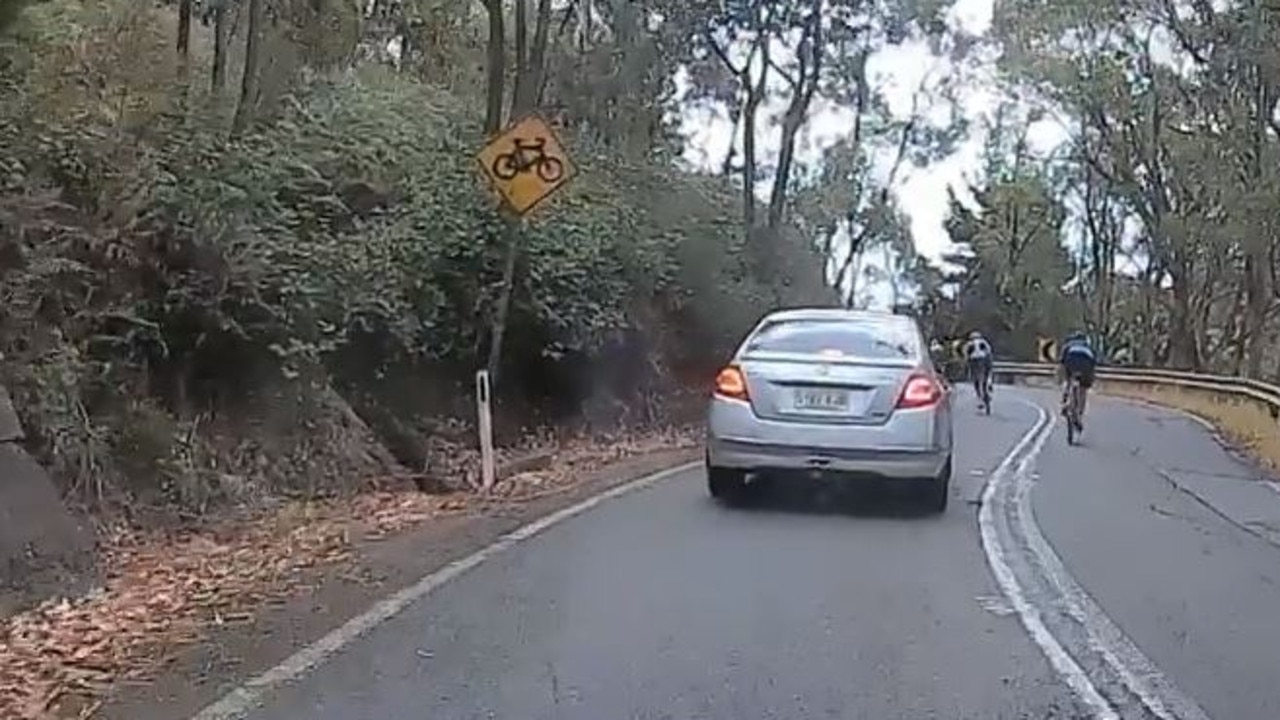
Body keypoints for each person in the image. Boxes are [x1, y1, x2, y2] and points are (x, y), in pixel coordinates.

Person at [1058, 331, 1097, 425]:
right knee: (1083, 390)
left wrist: (1061, 376)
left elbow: (1062, 362)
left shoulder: (1068, 345)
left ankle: (1065, 401)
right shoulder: (1088, 347)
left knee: (1067, 380)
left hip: (1071, 361)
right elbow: (1093, 364)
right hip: (1085, 365)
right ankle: (1079, 413)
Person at [962, 330, 994, 401]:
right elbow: (989, 351)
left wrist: (966, 363)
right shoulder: (984, 342)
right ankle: (989, 383)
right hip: (984, 359)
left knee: (975, 376)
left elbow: (965, 354)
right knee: (988, 372)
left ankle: (979, 394)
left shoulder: (969, 344)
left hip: (974, 360)